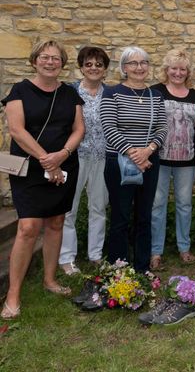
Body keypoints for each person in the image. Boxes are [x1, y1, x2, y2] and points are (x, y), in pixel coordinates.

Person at [1, 40, 85, 320]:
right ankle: (13, 294)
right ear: (34, 60)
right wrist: (46, 158)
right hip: (31, 167)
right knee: (27, 227)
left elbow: (78, 129)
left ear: (62, 63)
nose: (50, 62)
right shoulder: (20, 90)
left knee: (56, 222)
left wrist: (62, 154)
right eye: (45, 57)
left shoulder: (70, 94)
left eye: (56, 58)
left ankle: (49, 280)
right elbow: (16, 129)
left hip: (64, 165)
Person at [100, 46, 167, 272]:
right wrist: (133, 152)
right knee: (120, 217)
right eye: (133, 63)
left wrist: (148, 151)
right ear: (124, 68)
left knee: (144, 216)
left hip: (149, 162)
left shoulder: (156, 95)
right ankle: (118, 270)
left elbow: (162, 128)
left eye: (143, 62)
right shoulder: (112, 93)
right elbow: (109, 127)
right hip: (119, 163)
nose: (139, 67)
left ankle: (141, 269)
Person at [149, 49, 195, 270]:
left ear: (188, 72)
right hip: (158, 159)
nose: (178, 73)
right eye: (174, 68)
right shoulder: (155, 92)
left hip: (187, 161)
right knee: (157, 205)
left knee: (185, 204)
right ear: (166, 70)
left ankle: (184, 248)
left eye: (183, 69)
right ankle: (156, 252)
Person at [59, 46, 110, 276]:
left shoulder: (110, 93)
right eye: (88, 64)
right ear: (81, 67)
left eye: (98, 64)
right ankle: (67, 258)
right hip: (74, 157)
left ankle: (95, 255)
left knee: (98, 207)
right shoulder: (69, 92)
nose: (93, 68)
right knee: (69, 208)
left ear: (105, 70)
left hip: (102, 157)